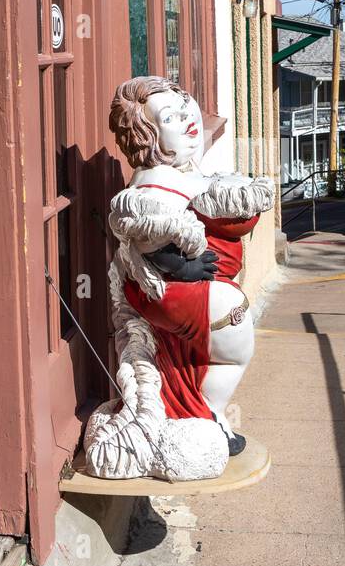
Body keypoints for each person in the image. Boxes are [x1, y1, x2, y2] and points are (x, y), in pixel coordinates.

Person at [85, 76, 274, 481]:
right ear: (147, 136)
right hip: (166, 291)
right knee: (233, 345)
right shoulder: (152, 183)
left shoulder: (184, 173)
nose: (188, 118)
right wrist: (183, 267)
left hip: (188, 286)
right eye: (170, 117)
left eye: (185, 104)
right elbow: (146, 235)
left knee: (220, 355)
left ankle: (204, 413)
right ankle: (200, 412)